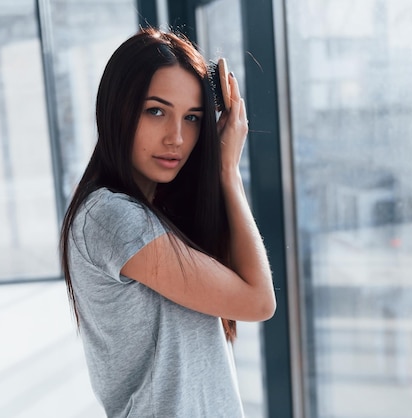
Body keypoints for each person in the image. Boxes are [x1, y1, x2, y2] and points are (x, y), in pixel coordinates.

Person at [59, 27, 276, 418]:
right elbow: (258, 301)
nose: (177, 137)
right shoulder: (112, 217)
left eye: (192, 118)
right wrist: (228, 172)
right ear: (116, 109)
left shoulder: (156, 212)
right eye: (156, 111)